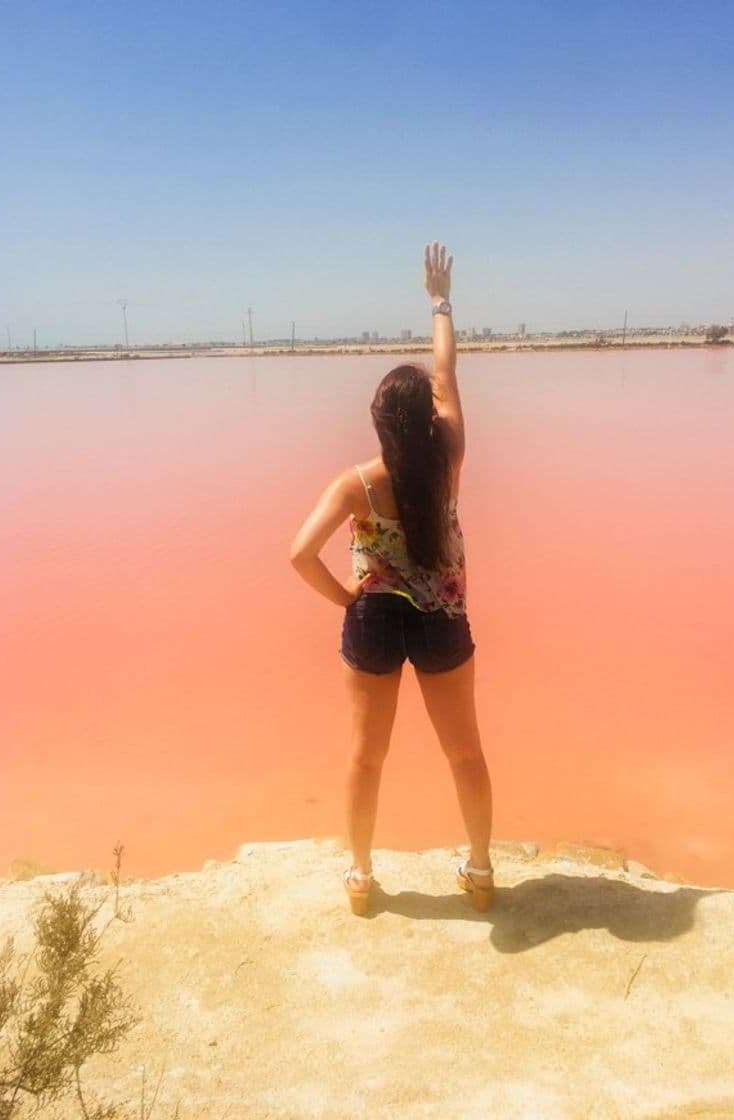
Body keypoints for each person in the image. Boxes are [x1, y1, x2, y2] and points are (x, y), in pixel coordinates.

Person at [289, 242, 494, 916]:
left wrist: (346, 597)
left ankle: (358, 876)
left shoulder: (354, 484)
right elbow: (445, 373)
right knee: (464, 753)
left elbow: (298, 554)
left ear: (377, 424)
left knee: (365, 756)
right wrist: (439, 302)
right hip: (442, 617)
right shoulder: (448, 459)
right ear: (431, 423)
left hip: (372, 619)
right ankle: (480, 870)